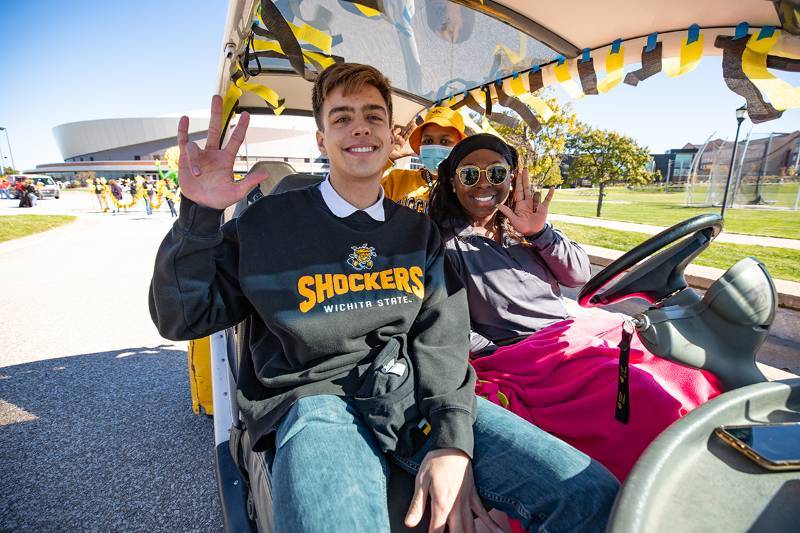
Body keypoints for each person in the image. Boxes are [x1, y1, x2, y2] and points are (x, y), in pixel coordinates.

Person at [149, 63, 618, 533]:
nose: (360, 127)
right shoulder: (265, 225)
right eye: (342, 117)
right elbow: (181, 318)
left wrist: (453, 440)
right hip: (313, 400)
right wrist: (199, 217)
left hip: (409, 395)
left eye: (373, 116)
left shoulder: (417, 234)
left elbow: (442, 341)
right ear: (321, 139)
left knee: (592, 495)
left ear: (389, 136)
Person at [428, 134, 721, 480]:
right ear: (452, 180)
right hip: (528, 355)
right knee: (646, 396)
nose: (483, 184)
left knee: (688, 371)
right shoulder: (441, 243)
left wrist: (539, 233)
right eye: (469, 175)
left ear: (511, 177)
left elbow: (577, 274)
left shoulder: (524, 225)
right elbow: (449, 325)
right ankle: (676, 483)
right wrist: (504, 354)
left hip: (575, 333)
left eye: (495, 173)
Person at [381, 106, 466, 213]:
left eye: (444, 141)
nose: (435, 147)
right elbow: (360, 199)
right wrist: (383, 161)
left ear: (460, 148)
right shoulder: (396, 180)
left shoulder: (467, 188)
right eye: (428, 141)